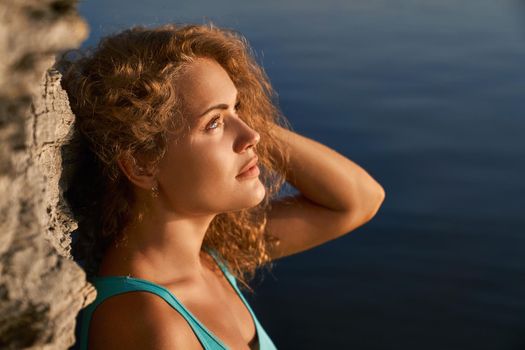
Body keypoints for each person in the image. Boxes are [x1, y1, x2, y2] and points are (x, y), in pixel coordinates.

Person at [59, 22, 385, 350]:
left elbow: (359, 200)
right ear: (141, 164)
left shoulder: (211, 259)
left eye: (238, 109)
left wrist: (237, 115)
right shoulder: (149, 322)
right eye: (213, 123)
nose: (251, 135)